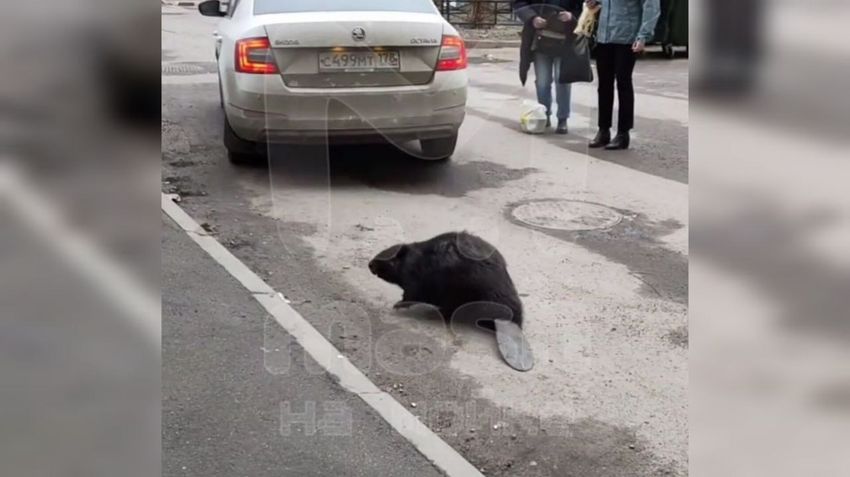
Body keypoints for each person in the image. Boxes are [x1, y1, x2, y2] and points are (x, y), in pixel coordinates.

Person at [586, 0, 660, 150]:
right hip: (604, 37)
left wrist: (643, 36)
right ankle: (603, 130)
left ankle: (623, 134)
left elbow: (651, 6)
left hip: (627, 37)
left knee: (623, 84)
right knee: (604, 85)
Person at [513, 0, 583, 134]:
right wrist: (532, 18)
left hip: (565, 41)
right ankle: (544, 114)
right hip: (541, 40)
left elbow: (584, 7)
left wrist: (572, 16)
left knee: (562, 79)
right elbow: (519, 3)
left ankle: (563, 118)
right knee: (542, 82)